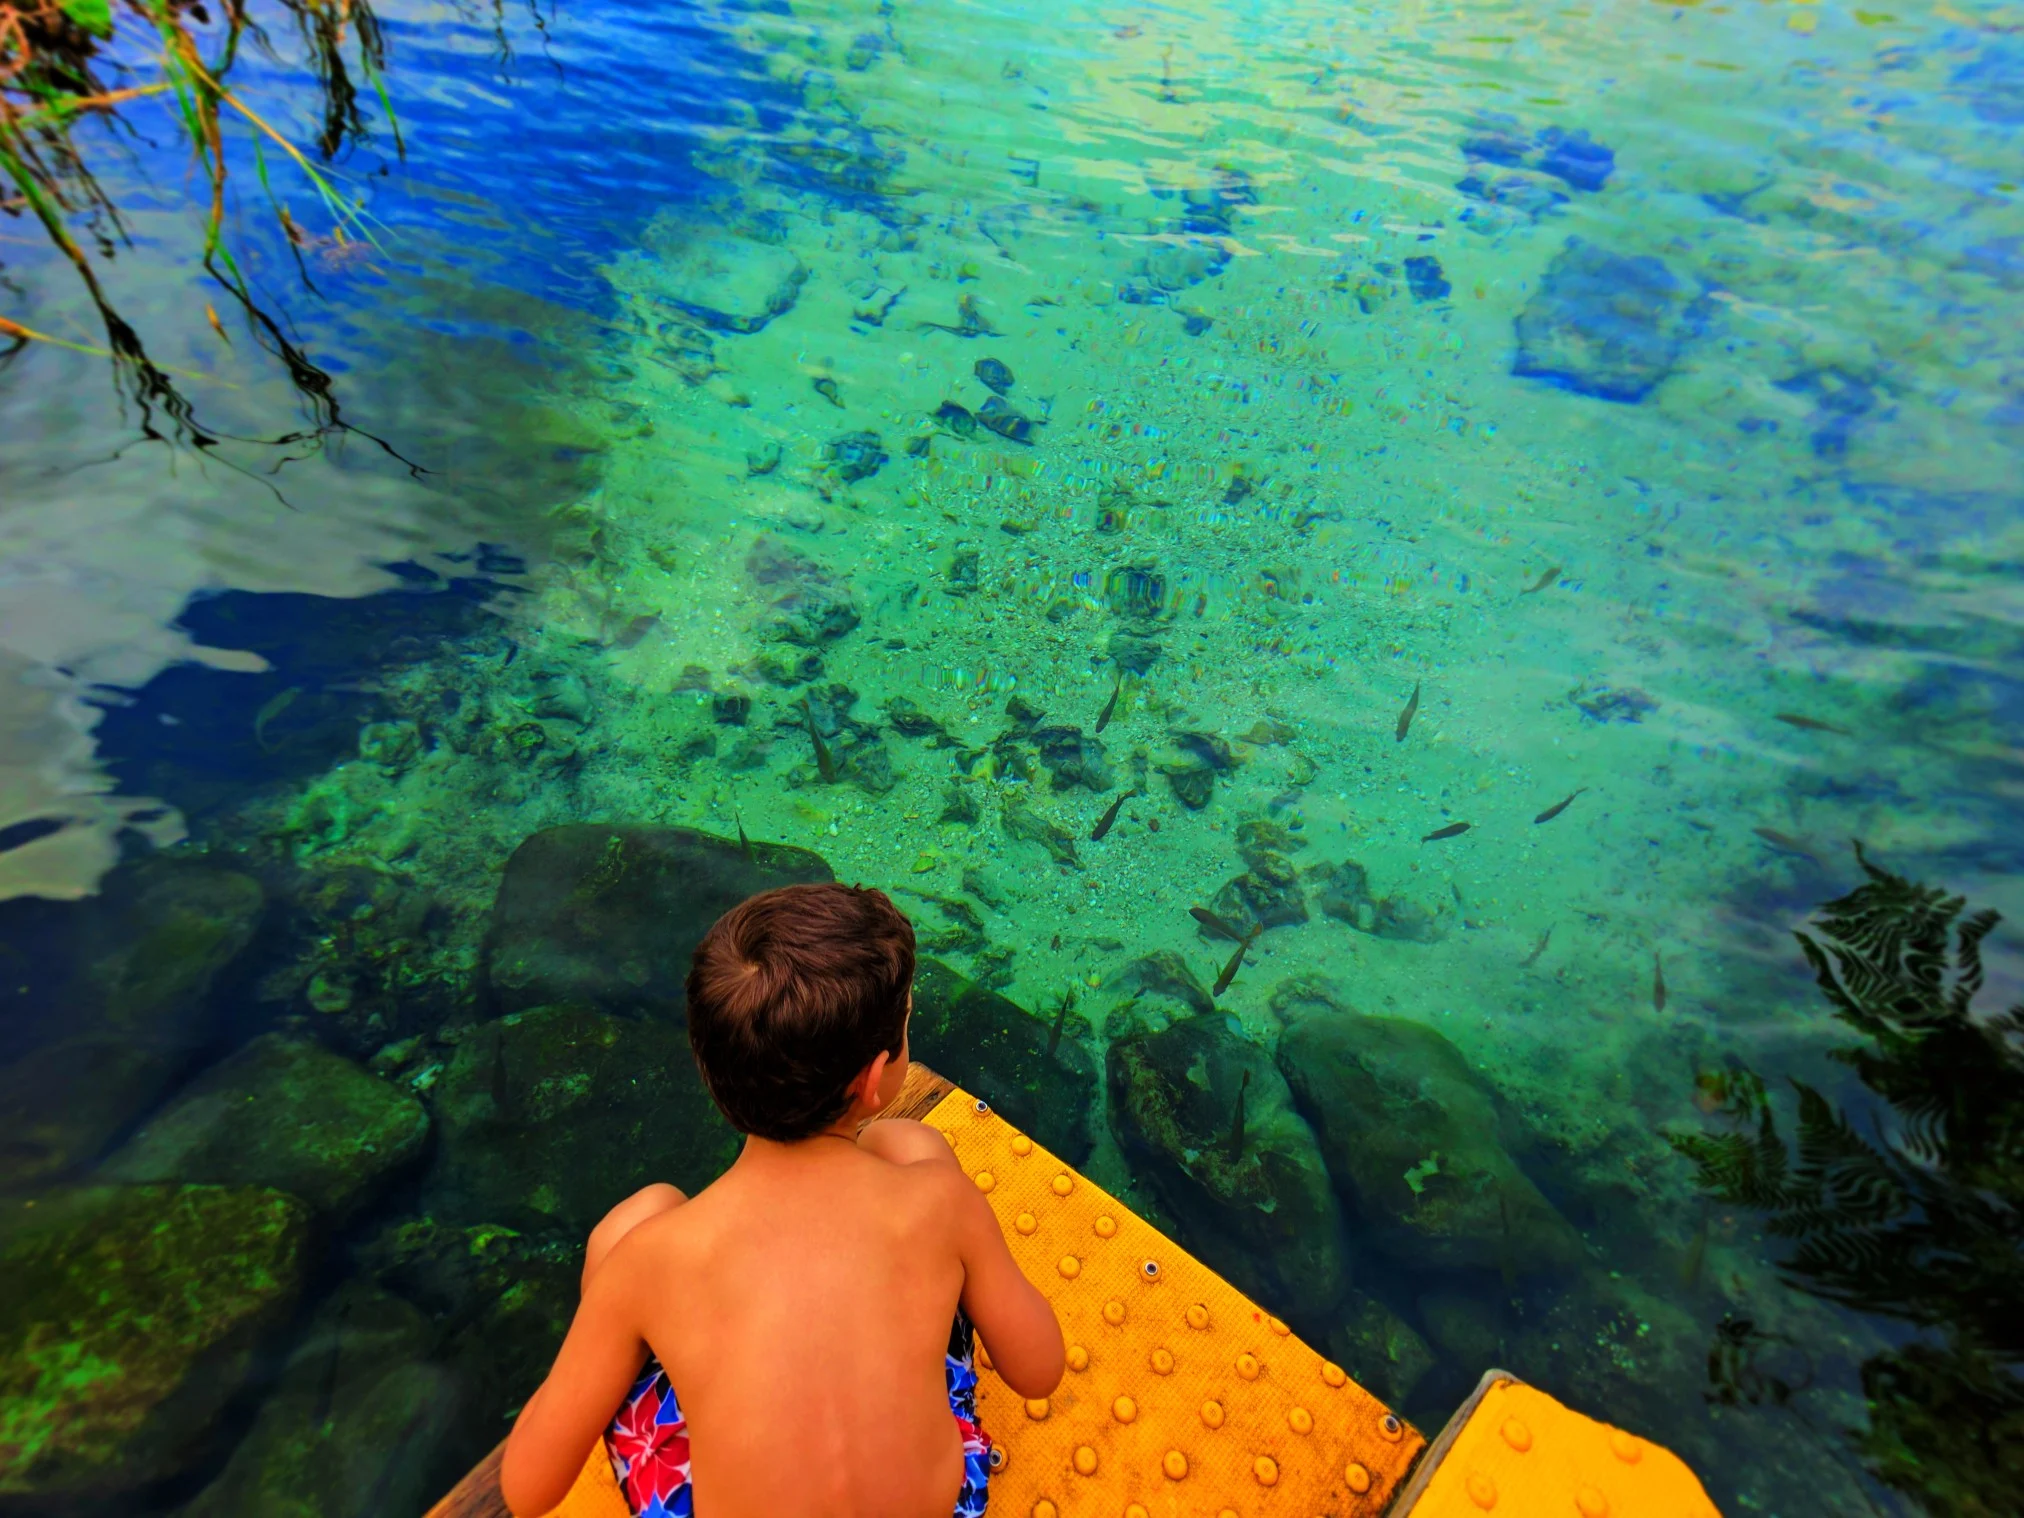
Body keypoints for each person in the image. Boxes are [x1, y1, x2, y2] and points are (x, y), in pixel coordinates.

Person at [500, 882, 1065, 1518]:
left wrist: (619, 1327)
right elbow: (1039, 1370)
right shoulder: (940, 1201)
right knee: (915, 1146)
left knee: (635, 1218)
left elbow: (526, 1489)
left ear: (711, 1068)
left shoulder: (647, 1259)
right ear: (873, 1078)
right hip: (942, 1505)